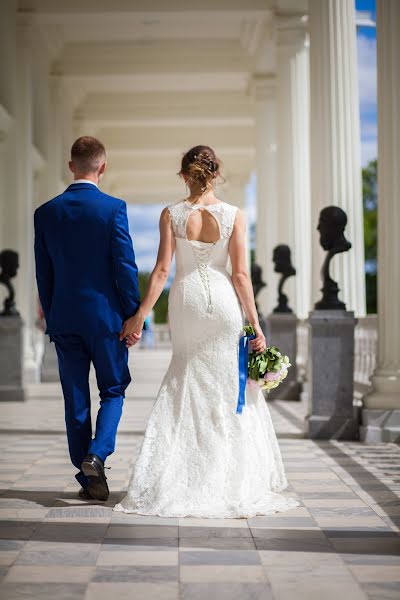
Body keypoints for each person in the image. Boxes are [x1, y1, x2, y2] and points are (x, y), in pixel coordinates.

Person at [114, 145, 299, 518]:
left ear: (185, 175)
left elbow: (162, 272)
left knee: (184, 379)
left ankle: (183, 476)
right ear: (215, 174)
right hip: (225, 304)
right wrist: (255, 322)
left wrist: (139, 318)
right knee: (228, 386)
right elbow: (241, 275)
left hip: (188, 303)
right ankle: (231, 479)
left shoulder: (172, 214)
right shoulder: (234, 215)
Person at [34, 136, 142, 502]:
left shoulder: (46, 212)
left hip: (65, 318)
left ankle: (90, 478)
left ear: (71, 166)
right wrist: (133, 313)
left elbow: (43, 273)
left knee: (75, 399)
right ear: (103, 167)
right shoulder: (113, 208)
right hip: (106, 319)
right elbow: (125, 267)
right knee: (112, 390)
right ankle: (98, 453)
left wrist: (51, 313)